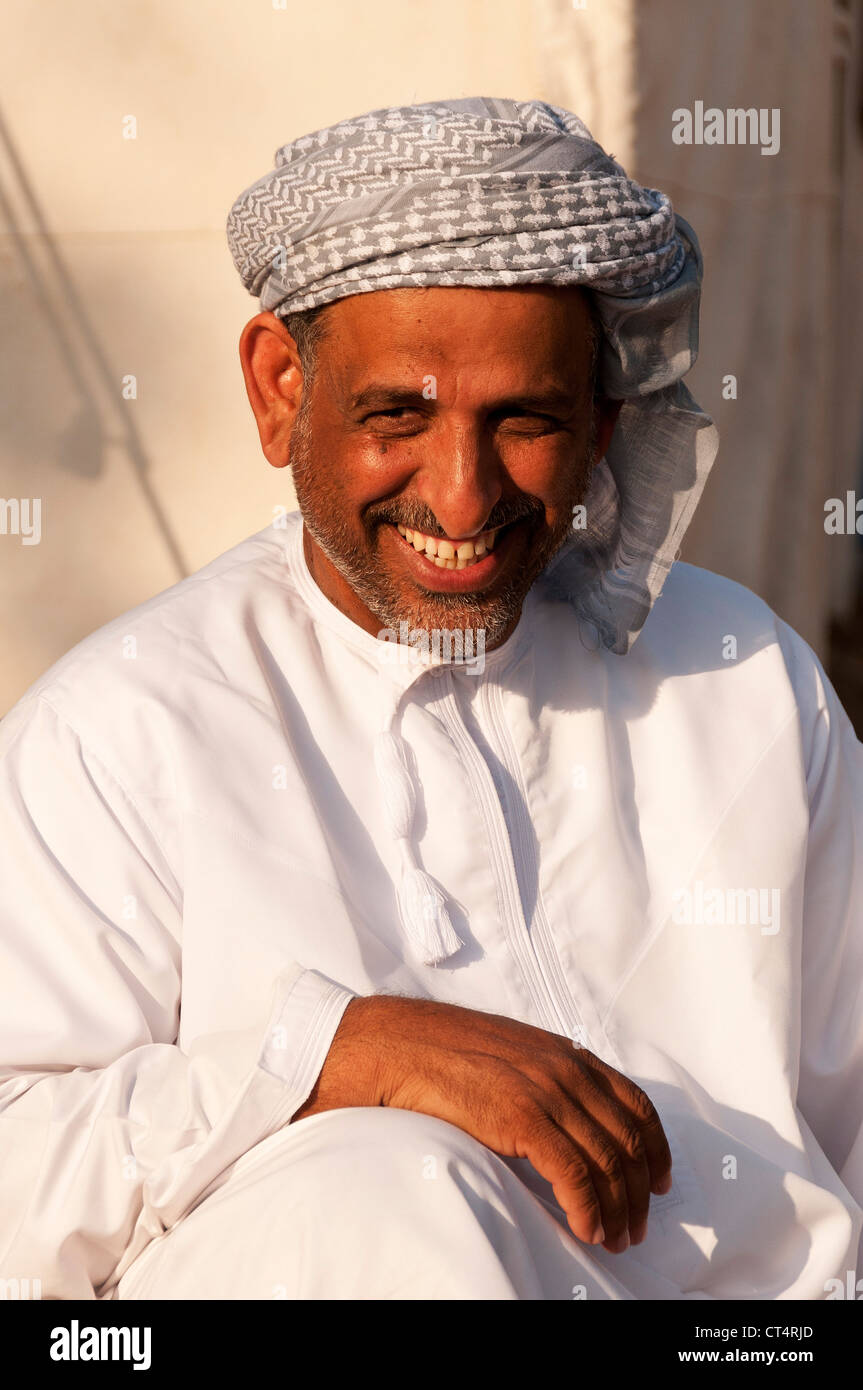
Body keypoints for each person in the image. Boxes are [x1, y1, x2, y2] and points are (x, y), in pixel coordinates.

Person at [1, 97, 860, 1302]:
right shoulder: (124, 727)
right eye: (396, 415)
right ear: (278, 389)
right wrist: (336, 1056)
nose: (461, 501)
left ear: (602, 424)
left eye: (524, 421)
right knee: (371, 1187)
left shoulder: (741, 675)